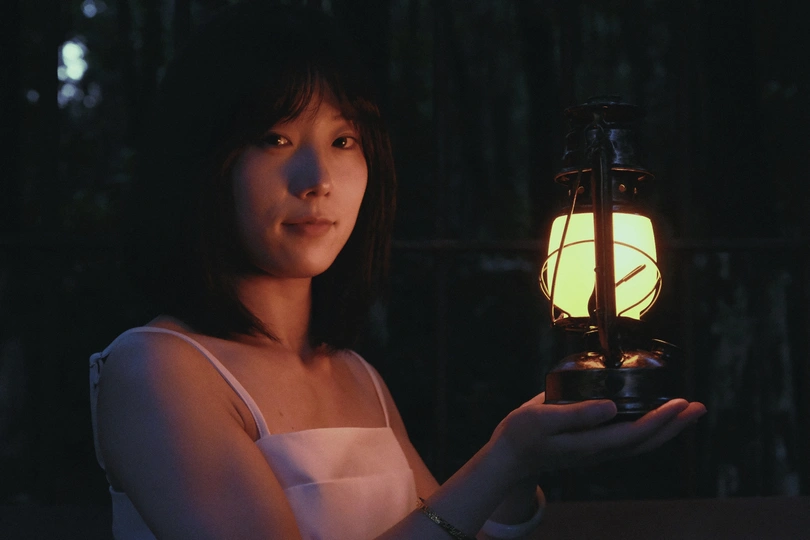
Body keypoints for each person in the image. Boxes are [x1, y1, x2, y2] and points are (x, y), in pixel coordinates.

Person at [89, 2, 706, 539]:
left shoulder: (353, 374)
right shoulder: (157, 369)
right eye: (276, 139)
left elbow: (451, 530)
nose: (317, 181)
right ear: (205, 159)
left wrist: (521, 469)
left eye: (343, 141)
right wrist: (503, 458)